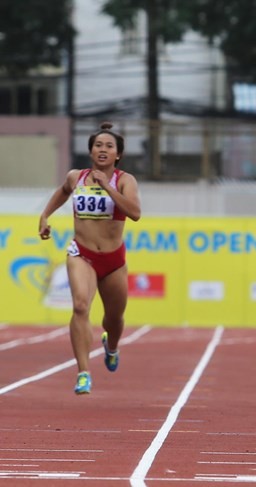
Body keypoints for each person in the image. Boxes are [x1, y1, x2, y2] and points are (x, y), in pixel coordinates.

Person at [39, 122, 141, 395]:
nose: (103, 150)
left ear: (117, 154)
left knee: (114, 319)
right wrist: (45, 215)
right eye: (98, 145)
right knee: (81, 307)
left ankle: (112, 346)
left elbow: (135, 213)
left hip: (113, 260)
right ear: (91, 151)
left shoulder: (124, 180)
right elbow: (62, 191)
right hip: (81, 254)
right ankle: (83, 372)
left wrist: (107, 186)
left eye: (109, 146)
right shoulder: (77, 177)